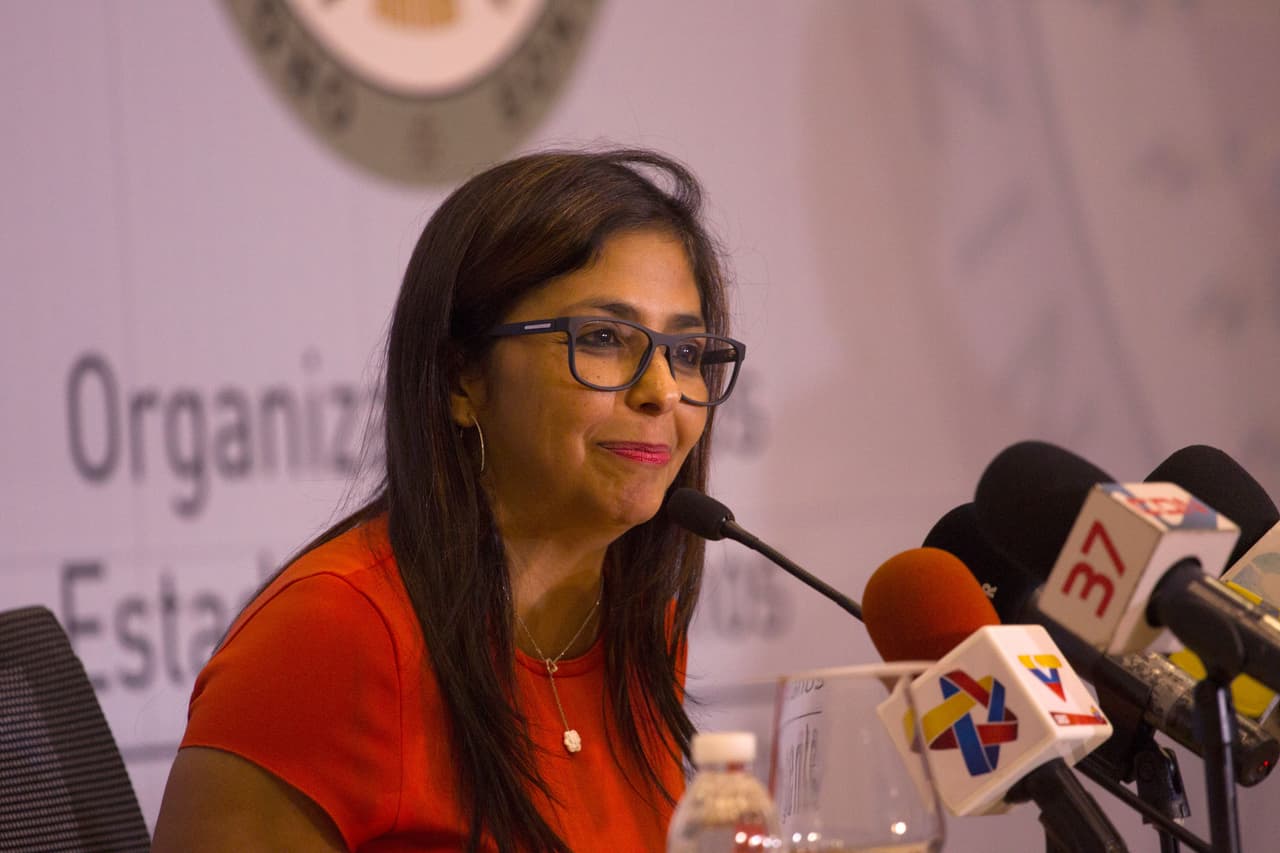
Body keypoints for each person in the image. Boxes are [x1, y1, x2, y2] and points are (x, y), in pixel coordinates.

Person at [151, 148, 747, 852]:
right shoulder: (335, 632)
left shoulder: (635, 620)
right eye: (605, 338)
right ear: (462, 376)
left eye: (685, 351)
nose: (663, 392)